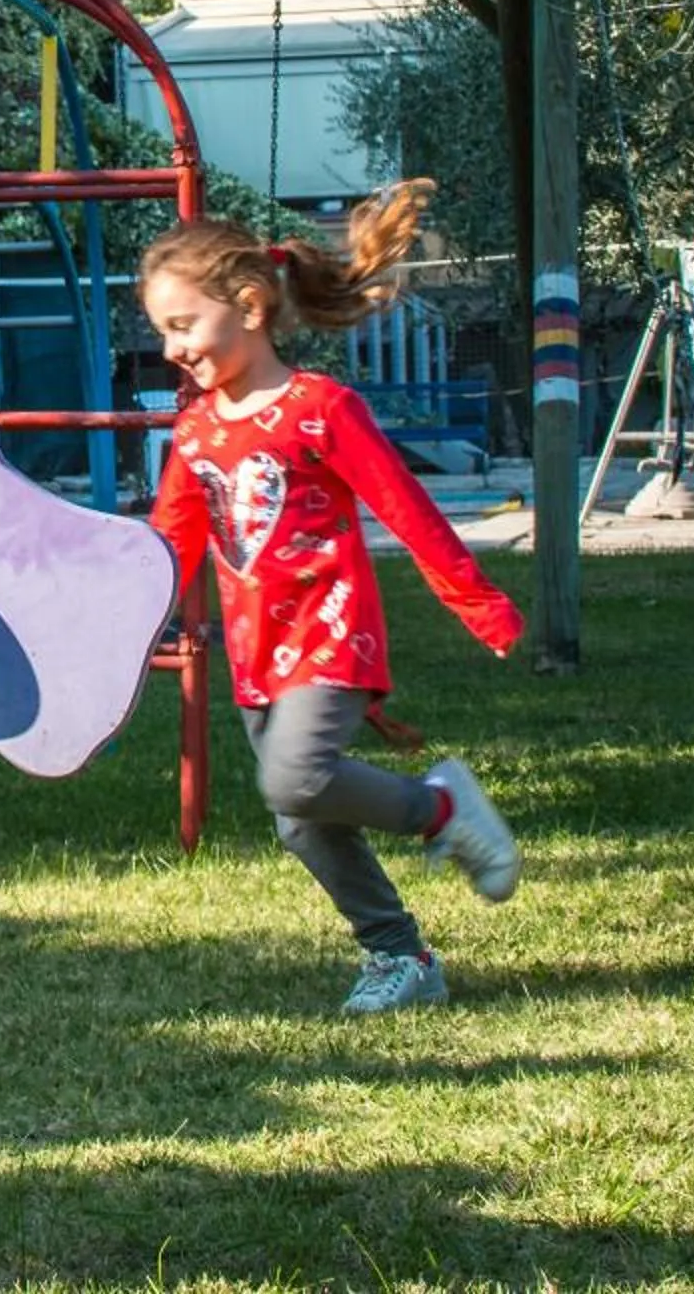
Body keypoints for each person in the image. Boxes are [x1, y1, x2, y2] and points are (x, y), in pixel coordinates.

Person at [140, 187, 526, 1015]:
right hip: (254, 652)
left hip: (329, 635)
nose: (171, 349)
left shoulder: (321, 409)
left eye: (182, 326)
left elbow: (407, 510)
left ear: (248, 306)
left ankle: (442, 809)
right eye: (161, 332)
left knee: (294, 780)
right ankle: (401, 956)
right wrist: (125, 623)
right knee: (302, 818)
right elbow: (169, 542)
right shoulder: (197, 432)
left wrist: (478, 602)